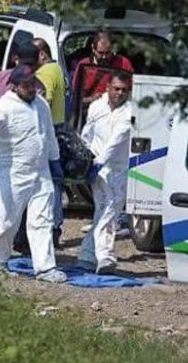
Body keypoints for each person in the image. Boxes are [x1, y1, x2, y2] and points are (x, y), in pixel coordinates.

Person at [0, 64, 67, 283]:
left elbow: (48, 135)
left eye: (34, 84)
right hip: (13, 173)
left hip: (41, 171)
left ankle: (45, 267)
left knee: (42, 219)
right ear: (16, 86)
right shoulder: (5, 106)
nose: (32, 89)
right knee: (8, 220)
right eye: (27, 85)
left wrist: (55, 160)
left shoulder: (41, 104)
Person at [0, 42, 43, 255]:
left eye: (32, 65)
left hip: (29, 152)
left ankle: (22, 243)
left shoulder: (37, 86)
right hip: (2, 149)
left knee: (28, 204)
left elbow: (42, 119)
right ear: (15, 59)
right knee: (1, 202)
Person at [77, 72, 133, 274]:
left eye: (124, 90)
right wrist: (85, 159)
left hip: (117, 169)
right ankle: (105, 257)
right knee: (107, 210)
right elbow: (87, 134)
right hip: (97, 168)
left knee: (106, 211)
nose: (119, 93)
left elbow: (118, 139)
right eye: (116, 88)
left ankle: (87, 255)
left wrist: (99, 162)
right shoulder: (96, 107)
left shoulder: (130, 111)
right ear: (108, 87)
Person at [32, 38, 70, 247]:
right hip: (59, 128)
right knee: (54, 182)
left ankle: (51, 229)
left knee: (48, 185)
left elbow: (43, 101)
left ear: (42, 54)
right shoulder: (58, 69)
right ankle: (54, 227)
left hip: (48, 132)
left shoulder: (45, 73)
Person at [71, 31, 134, 107]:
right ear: (93, 49)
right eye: (100, 53)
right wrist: (91, 99)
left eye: (107, 53)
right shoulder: (83, 65)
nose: (104, 57)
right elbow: (74, 97)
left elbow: (133, 91)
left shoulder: (123, 63)